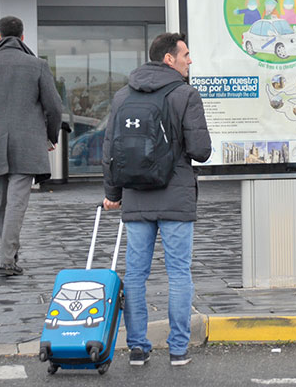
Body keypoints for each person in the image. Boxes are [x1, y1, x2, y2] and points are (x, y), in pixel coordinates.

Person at [102, 32, 211, 368]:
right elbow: (201, 151)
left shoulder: (123, 96)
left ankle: (137, 348)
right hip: (175, 196)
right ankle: (178, 350)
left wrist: (113, 195)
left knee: (135, 275)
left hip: (136, 197)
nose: (190, 60)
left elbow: (110, 150)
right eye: (186, 55)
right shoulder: (185, 94)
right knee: (178, 272)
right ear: (169, 58)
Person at [0, 16, 62, 276]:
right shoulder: (37, 66)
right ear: (23, 37)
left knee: (3, 200)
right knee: (16, 202)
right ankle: (6, 259)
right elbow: (54, 106)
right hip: (28, 143)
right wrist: (49, 137)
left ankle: (9, 253)